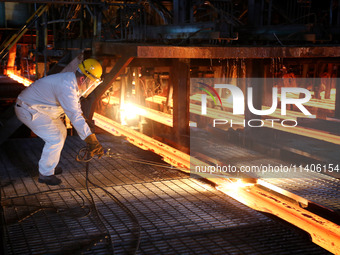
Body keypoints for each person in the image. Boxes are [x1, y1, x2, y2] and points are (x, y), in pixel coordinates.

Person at [15, 58, 104, 185]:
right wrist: (91, 139)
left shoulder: (71, 82)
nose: (91, 87)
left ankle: (50, 165)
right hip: (28, 109)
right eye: (92, 83)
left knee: (62, 131)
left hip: (40, 110)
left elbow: (76, 110)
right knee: (55, 138)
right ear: (83, 79)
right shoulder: (66, 86)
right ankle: (45, 174)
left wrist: (85, 124)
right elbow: (74, 115)